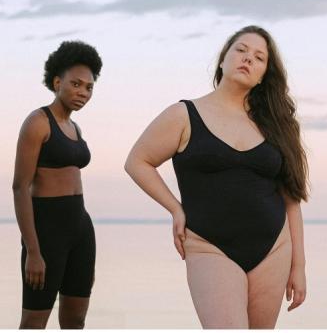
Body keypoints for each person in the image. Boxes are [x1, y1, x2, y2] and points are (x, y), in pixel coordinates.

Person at [125, 25, 308, 328]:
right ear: (223, 59)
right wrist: (175, 208)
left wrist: (299, 266)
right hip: (209, 246)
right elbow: (138, 161)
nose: (248, 59)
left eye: (259, 57)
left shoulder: (278, 125)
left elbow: (292, 200)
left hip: (273, 248)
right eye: (241, 50)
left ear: (264, 74)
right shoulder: (183, 115)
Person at [12, 41, 102, 329]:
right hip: (46, 231)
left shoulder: (74, 127)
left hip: (80, 229)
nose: (83, 92)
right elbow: (20, 187)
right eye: (76, 84)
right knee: (34, 321)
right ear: (56, 82)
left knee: (75, 319)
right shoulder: (38, 122)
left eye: (88, 87)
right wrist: (33, 251)